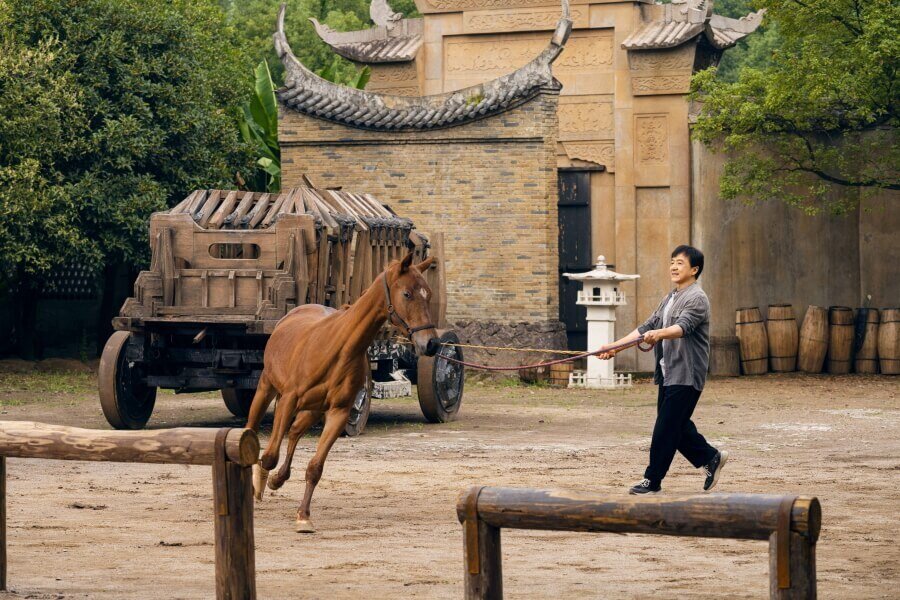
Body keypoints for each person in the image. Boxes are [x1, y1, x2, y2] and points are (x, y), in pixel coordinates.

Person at [598, 245, 727, 495]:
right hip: (669, 373)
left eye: (680, 263)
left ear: (694, 269)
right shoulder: (670, 298)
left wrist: (658, 334)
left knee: (666, 428)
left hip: (687, 374)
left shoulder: (697, 298)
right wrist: (614, 347)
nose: (674, 267)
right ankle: (711, 457)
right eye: (672, 262)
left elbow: (683, 327)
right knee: (675, 426)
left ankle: (652, 480)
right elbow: (647, 326)